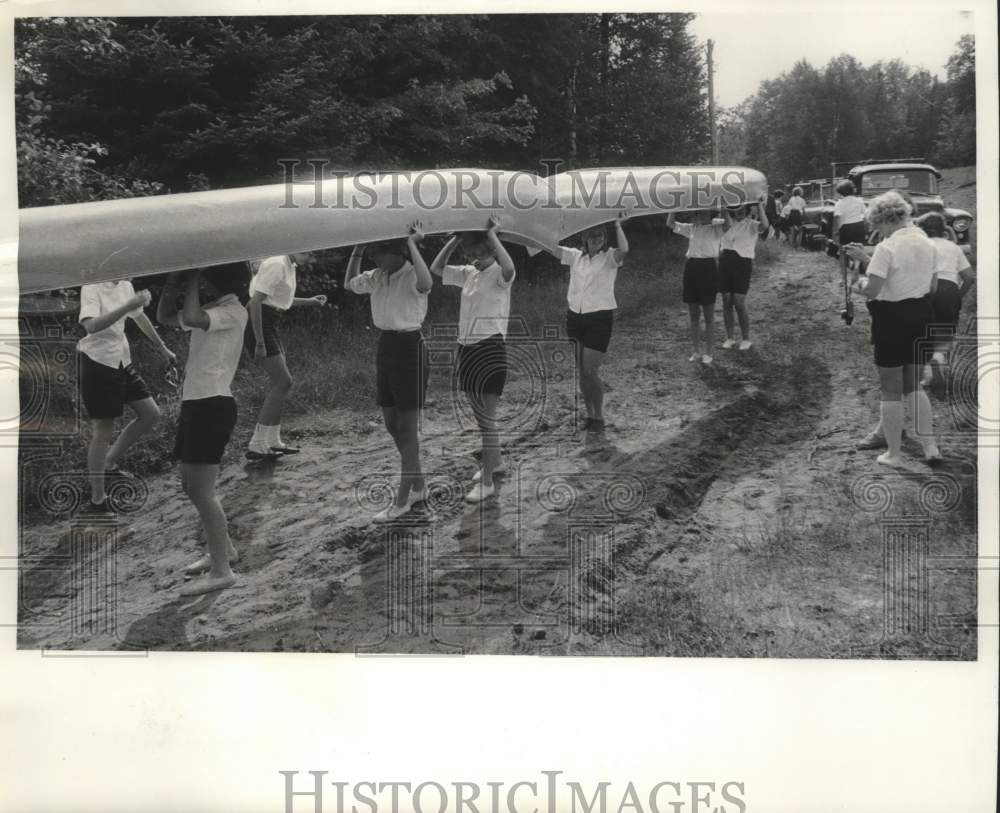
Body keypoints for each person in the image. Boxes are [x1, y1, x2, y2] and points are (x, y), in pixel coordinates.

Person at [156, 264, 250, 596]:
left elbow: (192, 318)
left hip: (212, 404)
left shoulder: (234, 311)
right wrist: (173, 280)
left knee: (201, 491)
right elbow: (166, 316)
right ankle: (223, 552)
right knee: (190, 485)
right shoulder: (214, 308)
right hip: (198, 403)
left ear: (215, 279)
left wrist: (193, 277)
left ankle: (223, 571)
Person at [844, 191, 940, 468]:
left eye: (875, 225)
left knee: (890, 388)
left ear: (883, 221)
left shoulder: (887, 248)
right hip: (922, 313)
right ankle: (930, 446)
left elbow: (872, 290)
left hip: (891, 317)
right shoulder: (927, 243)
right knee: (913, 385)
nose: (875, 231)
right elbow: (932, 288)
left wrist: (855, 283)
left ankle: (894, 454)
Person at [345, 225, 433, 522]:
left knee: (407, 429)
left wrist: (411, 243)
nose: (374, 258)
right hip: (386, 347)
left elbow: (426, 281)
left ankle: (403, 498)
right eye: (371, 253)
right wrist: (357, 249)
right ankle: (418, 483)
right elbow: (349, 284)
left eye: (378, 253)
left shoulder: (411, 274)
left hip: (410, 348)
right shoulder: (377, 276)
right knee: (391, 423)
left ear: (396, 252)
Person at [430, 216, 516, 502]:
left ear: (491, 249)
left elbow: (509, 267)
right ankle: (497, 462)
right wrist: (454, 239)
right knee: (481, 417)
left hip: (489, 346)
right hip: (466, 346)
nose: (475, 258)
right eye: (471, 254)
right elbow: (436, 268)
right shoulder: (469, 273)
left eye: (480, 253)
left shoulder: (501, 275)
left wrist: (492, 236)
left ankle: (488, 480)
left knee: (486, 419)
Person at [76, 278, 175, 516]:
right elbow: (90, 326)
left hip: (121, 358)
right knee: (103, 430)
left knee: (150, 414)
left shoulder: (126, 285)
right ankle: (98, 500)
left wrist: (162, 348)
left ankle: (108, 463)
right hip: (96, 361)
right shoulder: (92, 285)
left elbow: (139, 316)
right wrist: (128, 304)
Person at [244, 253, 327, 459]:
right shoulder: (277, 264)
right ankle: (257, 443)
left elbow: (279, 300)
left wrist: (310, 302)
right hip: (260, 322)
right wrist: (260, 342)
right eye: (309, 253)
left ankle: (273, 440)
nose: (312, 258)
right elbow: (255, 303)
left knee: (283, 383)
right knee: (283, 382)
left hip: (271, 321)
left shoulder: (289, 265)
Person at [553, 213, 629, 431]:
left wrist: (617, 225)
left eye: (601, 235)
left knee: (590, 370)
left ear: (605, 238)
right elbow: (550, 246)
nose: (597, 238)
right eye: (592, 235)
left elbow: (625, 249)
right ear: (584, 237)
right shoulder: (575, 256)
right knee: (581, 370)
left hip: (599, 318)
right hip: (575, 317)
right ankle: (590, 414)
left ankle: (600, 413)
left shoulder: (610, 257)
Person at [916, 212, 976, 383]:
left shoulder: (920, 245)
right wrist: (958, 296)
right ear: (944, 229)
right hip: (949, 289)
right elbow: (969, 277)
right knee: (945, 332)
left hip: (926, 288)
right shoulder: (953, 247)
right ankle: (939, 358)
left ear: (922, 229)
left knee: (923, 332)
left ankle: (926, 375)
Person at [666, 209, 724, 365]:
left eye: (704, 213)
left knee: (709, 315)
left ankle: (709, 352)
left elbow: (729, 224)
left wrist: (723, 206)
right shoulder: (691, 228)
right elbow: (670, 223)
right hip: (692, 268)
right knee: (693, 313)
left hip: (709, 268)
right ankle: (696, 351)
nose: (700, 216)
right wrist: (673, 207)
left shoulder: (716, 227)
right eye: (698, 214)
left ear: (710, 215)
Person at [719, 197, 769, 351]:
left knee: (739, 302)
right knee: (727, 300)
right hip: (725, 261)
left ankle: (746, 338)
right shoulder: (727, 223)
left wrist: (759, 205)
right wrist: (724, 206)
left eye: (742, 211)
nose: (739, 214)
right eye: (736, 211)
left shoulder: (752, 225)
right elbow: (725, 219)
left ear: (747, 211)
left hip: (742, 263)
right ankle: (730, 338)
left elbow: (765, 226)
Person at [832, 180, 867, 247]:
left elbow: (837, 217)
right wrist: (865, 227)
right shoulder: (859, 201)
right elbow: (866, 215)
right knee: (859, 247)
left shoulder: (840, 203)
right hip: (859, 226)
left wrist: (835, 231)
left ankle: (844, 257)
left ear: (840, 192)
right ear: (852, 190)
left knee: (845, 248)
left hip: (846, 228)